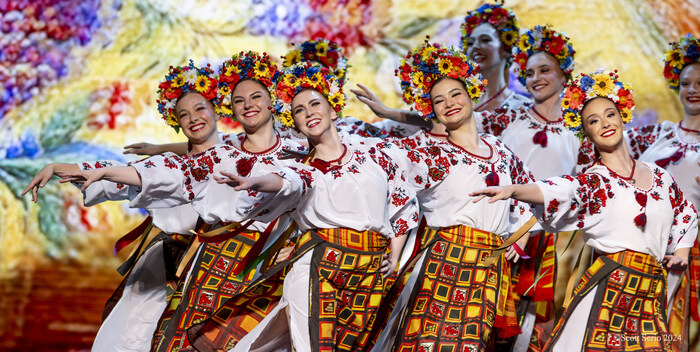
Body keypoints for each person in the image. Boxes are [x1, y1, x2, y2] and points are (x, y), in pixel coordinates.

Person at [60, 61, 420, 352]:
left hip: (272, 265)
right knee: (184, 336)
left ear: (272, 104)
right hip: (220, 260)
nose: (248, 105)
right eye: (238, 101)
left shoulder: (298, 155)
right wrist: (97, 170)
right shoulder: (223, 155)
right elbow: (171, 171)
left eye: (256, 97)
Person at [471, 70, 698, 352]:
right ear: (586, 132)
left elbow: (686, 214)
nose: (604, 123)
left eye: (609, 114)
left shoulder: (660, 176)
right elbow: (557, 189)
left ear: (622, 115)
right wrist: (515, 189)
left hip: (650, 292)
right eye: (593, 120)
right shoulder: (593, 181)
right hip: (610, 288)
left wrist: (680, 253)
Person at [23, 60, 224, 352]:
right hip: (164, 262)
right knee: (130, 336)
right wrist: (57, 167)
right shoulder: (167, 164)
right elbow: (126, 174)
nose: (193, 118)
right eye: (183, 114)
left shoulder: (238, 156)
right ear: (176, 123)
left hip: (216, 263)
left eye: (200, 108)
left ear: (215, 109)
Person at [370, 41, 535, 352]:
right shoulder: (431, 151)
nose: (449, 103)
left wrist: (520, 238)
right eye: (438, 101)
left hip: (488, 268)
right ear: (431, 111)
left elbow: (529, 194)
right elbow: (389, 183)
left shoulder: (499, 150)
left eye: (455, 94)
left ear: (471, 93)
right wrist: (394, 251)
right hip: (444, 264)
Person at [624, 34, 700, 352]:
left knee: (675, 333)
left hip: (689, 252)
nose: (693, 89)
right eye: (686, 83)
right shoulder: (658, 133)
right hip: (643, 246)